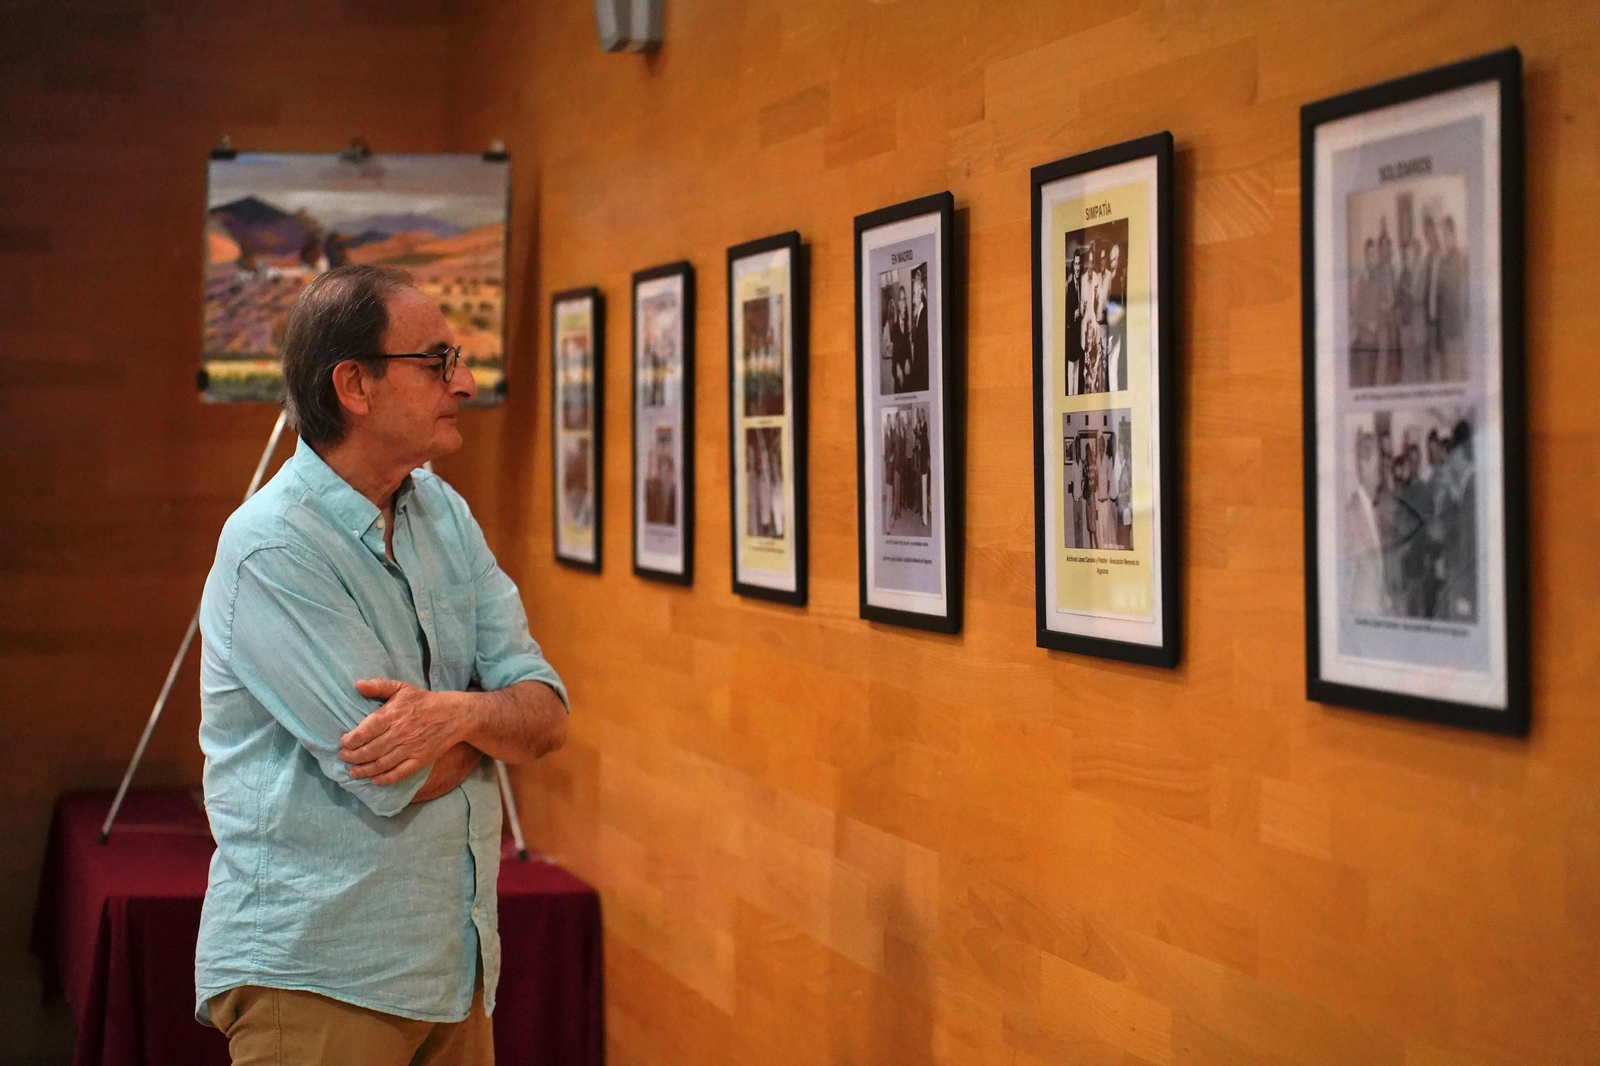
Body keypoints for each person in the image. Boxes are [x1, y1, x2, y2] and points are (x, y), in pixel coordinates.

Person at [195, 264, 570, 1065]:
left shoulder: (445, 511)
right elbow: (393, 771)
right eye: (437, 362)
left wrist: (456, 714)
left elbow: (547, 715)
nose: (464, 383)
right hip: (319, 975)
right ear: (355, 385)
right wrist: (488, 724)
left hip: (452, 966)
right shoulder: (272, 546)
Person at [1340, 428, 1385, 614]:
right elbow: (1359, 568)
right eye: (1378, 468)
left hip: (1376, 608)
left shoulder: (1372, 510)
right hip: (1362, 611)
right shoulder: (1352, 514)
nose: (1381, 475)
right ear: (1364, 466)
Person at [1438, 216, 1469, 381]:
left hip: (1456, 323)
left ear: (1453, 234)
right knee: (1449, 367)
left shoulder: (1459, 259)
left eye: (1446, 235)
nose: (1444, 240)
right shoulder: (1444, 260)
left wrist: (1461, 324)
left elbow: (1461, 295)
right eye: (1442, 235)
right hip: (1446, 323)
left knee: (1456, 369)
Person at [1103, 241, 1127, 392]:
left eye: (1116, 258)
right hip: (1111, 329)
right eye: (1112, 259)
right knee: (1111, 364)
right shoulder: (1108, 278)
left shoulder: (1118, 277)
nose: (1114, 262)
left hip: (1118, 329)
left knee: (1115, 364)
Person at [1064, 247, 1083, 396]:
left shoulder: (1082, 285)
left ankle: (1075, 396)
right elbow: (1065, 314)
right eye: (1076, 264)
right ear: (1073, 266)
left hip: (1079, 334)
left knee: (1078, 369)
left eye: (1079, 264)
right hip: (1071, 334)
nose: (1077, 267)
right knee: (1071, 369)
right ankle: (1070, 396)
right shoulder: (1070, 287)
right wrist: (1073, 315)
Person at [908, 266, 930, 394]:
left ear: (921, 294)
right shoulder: (919, 316)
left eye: (914, 294)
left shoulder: (925, 316)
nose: (913, 300)